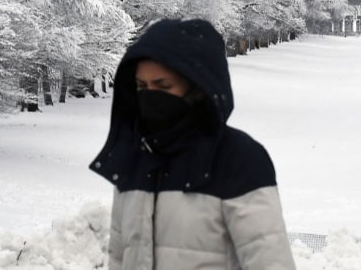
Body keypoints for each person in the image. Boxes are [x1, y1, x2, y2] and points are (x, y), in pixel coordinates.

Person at [89, 19, 296, 270]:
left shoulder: (239, 159)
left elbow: (270, 262)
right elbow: (119, 259)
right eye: (141, 86)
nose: (150, 96)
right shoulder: (136, 158)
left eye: (163, 86)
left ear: (197, 89)